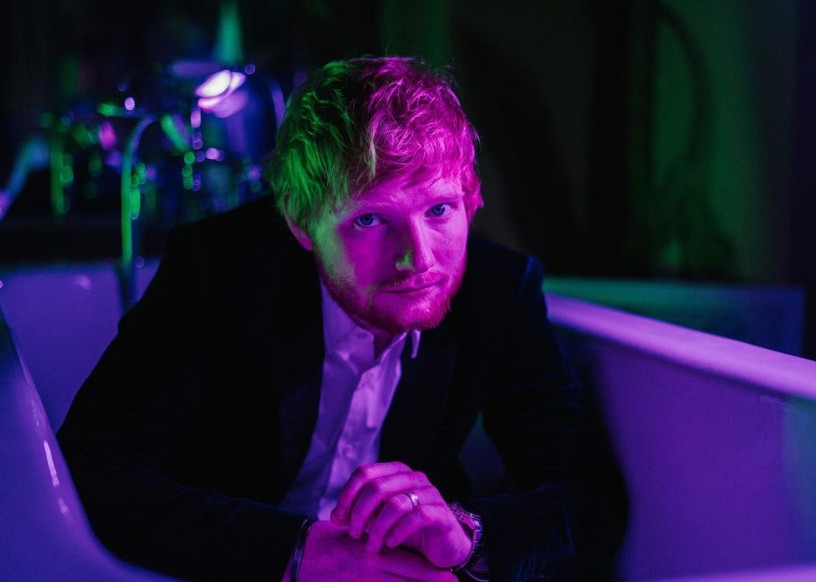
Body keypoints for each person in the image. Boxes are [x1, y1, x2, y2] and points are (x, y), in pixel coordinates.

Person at [57, 55, 628, 582]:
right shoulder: (217, 269)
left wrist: (467, 538)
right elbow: (91, 470)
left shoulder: (499, 292)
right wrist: (298, 552)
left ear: (471, 200)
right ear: (300, 224)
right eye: (371, 220)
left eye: (439, 209)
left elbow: (586, 494)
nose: (419, 259)